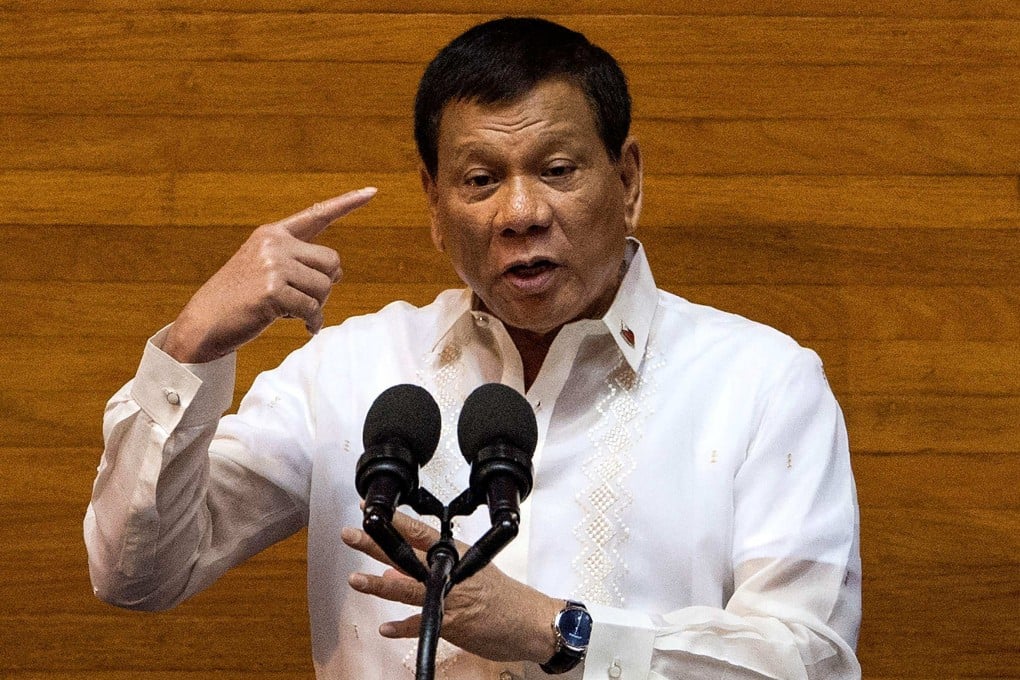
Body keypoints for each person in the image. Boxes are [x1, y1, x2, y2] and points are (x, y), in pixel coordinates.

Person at [85, 16, 861, 680]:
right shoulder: (352, 372)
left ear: (627, 179)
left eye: (557, 171)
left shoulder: (761, 382)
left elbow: (809, 658)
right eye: (481, 180)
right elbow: (136, 573)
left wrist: (556, 633)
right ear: (433, 203)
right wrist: (190, 346)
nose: (521, 212)